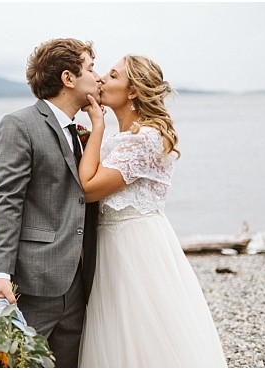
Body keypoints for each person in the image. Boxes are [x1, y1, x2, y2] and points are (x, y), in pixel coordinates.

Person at [75, 55, 227, 367]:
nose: (101, 79)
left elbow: (88, 190)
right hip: (110, 248)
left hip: (136, 247)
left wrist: (98, 124)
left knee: (146, 334)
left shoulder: (146, 138)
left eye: (113, 76)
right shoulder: (121, 139)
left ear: (132, 91)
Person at [0, 38, 101, 368]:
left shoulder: (81, 132)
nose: (97, 76)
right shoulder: (19, 125)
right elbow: (6, 201)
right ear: (68, 78)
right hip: (33, 281)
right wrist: (0, 273)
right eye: (90, 67)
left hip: (78, 281)